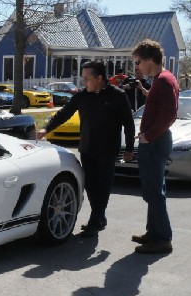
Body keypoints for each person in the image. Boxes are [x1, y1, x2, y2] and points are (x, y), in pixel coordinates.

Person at [36, 61, 135, 238]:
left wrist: (128, 148)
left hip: (108, 149)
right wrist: (46, 128)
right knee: (89, 184)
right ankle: (99, 216)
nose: (84, 82)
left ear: (99, 78)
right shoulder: (82, 96)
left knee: (103, 186)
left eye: (87, 79)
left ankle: (95, 220)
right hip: (88, 147)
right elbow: (64, 113)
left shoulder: (117, 96)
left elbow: (128, 123)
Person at [130, 39, 179, 254]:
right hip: (154, 140)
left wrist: (148, 136)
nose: (137, 66)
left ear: (150, 59)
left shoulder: (164, 80)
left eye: (139, 62)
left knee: (155, 191)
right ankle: (153, 232)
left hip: (155, 142)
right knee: (153, 189)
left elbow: (169, 114)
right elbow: (161, 105)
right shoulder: (160, 80)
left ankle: (162, 238)